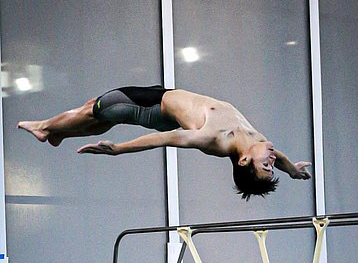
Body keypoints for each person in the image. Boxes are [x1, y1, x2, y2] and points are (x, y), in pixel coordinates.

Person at [17, 85, 311, 199]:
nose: (272, 159)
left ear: (244, 160)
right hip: (165, 100)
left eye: (266, 165)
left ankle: (44, 128)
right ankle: (59, 134)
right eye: (271, 165)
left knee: (97, 108)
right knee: (102, 117)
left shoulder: (215, 140)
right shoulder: (259, 143)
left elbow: (164, 139)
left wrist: (119, 149)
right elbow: (281, 158)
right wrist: (292, 171)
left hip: (155, 106)